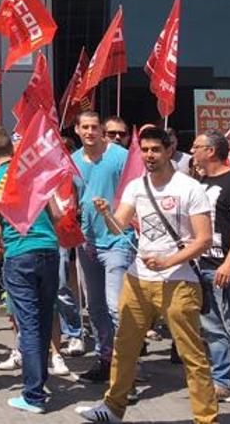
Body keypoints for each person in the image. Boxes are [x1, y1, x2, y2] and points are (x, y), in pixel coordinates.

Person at [76, 126, 218, 424]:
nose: (149, 155)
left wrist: (168, 261)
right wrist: (105, 213)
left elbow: (203, 239)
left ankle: (206, 418)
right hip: (138, 279)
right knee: (125, 348)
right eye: (145, 150)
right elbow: (119, 227)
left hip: (179, 281)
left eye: (155, 149)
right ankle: (113, 408)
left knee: (192, 354)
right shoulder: (135, 186)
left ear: (169, 151)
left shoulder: (189, 187)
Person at [0, 126, 61, 413]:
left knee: (28, 325)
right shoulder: (34, 173)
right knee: (42, 319)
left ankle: (33, 395)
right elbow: (58, 213)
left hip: (19, 254)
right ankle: (39, 382)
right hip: (50, 250)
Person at [71, 111, 135, 384]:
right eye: (84, 127)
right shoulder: (72, 161)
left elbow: (135, 191)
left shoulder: (120, 157)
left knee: (114, 307)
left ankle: (127, 372)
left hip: (119, 238)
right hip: (88, 242)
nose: (89, 132)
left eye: (94, 127)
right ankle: (106, 359)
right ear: (77, 130)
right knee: (95, 307)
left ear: (101, 130)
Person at [191, 130, 230, 401]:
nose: (191, 150)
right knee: (212, 328)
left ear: (211, 151)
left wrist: (229, 263)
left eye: (196, 146)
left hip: (225, 268)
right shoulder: (199, 183)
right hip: (202, 267)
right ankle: (222, 380)